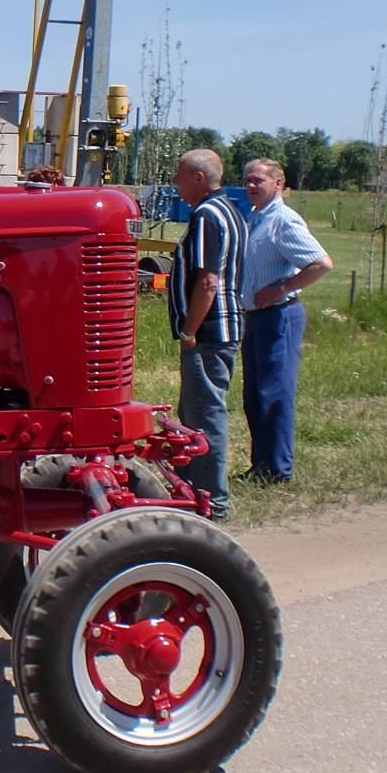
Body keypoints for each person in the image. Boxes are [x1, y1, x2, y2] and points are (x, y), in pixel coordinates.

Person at [237, 159, 334, 484]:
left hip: (279, 316)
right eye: (248, 180)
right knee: (254, 395)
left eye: (259, 181)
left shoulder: (283, 221)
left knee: (274, 394)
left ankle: (278, 470)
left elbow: (321, 263)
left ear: (278, 184)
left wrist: (282, 287)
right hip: (255, 317)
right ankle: (261, 465)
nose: (251, 186)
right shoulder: (254, 218)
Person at [168, 149, 248, 517]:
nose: (175, 183)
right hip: (224, 325)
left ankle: (213, 500)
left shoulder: (205, 215)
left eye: (180, 175)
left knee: (205, 415)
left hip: (209, 331)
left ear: (199, 178)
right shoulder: (232, 211)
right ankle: (188, 489)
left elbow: (209, 280)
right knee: (196, 411)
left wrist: (189, 330)